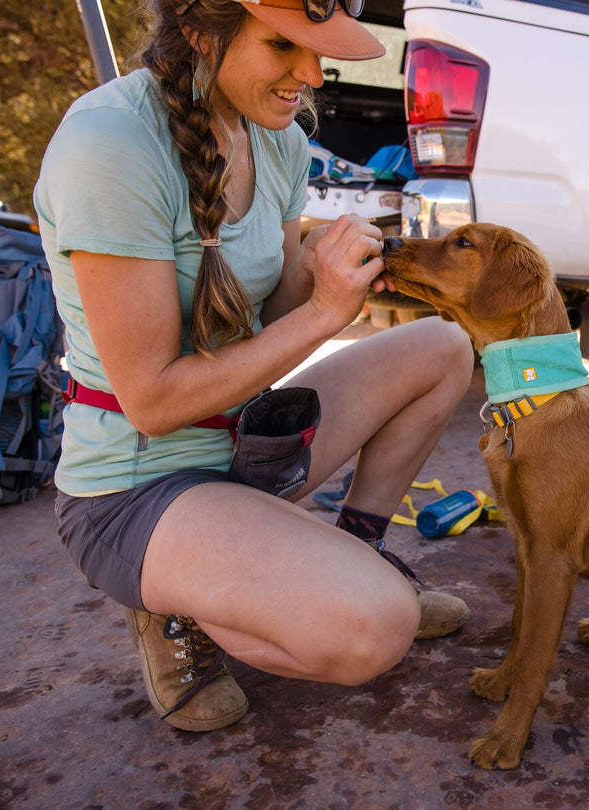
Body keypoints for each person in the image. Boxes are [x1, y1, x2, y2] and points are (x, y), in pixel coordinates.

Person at [34, 0, 475, 732]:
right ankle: (179, 608)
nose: (310, 76)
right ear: (204, 32)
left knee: (444, 348)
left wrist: (321, 269)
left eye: (318, 50)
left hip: (246, 443)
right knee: (375, 630)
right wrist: (322, 316)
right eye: (283, 46)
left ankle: (352, 551)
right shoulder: (111, 143)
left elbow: (264, 327)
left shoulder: (279, 141)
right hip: (138, 488)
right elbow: (152, 401)